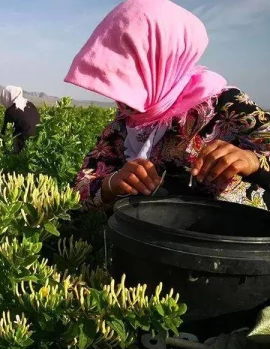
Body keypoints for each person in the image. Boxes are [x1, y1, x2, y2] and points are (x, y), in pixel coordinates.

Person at [66, 0, 270, 211]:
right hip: (147, 238)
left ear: (167, 62)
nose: (123, 101)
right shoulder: (124, 125)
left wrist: (252, 161)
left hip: (234, 237)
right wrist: (112, 183)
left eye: (132, 79)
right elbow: (76, 192)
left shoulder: (227, 106)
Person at [0, 86, 40, 153]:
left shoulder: (11, 111)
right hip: (37, 143)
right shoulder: (30, 105)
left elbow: (5, 133)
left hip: (23, 148)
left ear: (7, 96)